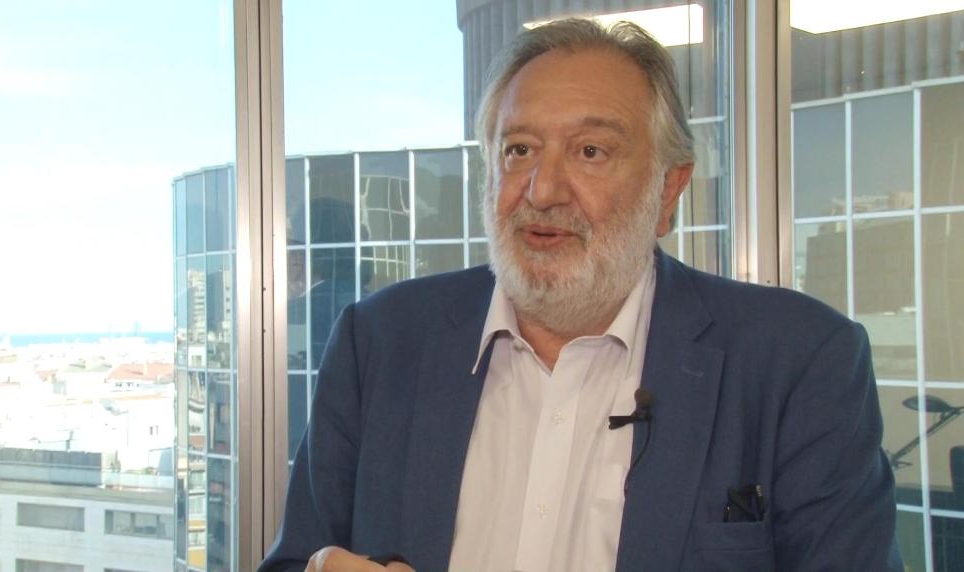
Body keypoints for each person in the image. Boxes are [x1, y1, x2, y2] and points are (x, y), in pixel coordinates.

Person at [259, 19, 902, 572]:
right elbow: (298, 558)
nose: (542, 191)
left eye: (591, 151)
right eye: (519, 150)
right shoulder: (379, 342)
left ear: (669, 190)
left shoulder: (798, 361)